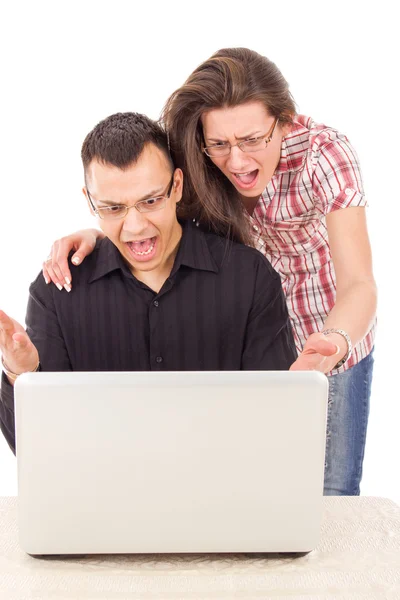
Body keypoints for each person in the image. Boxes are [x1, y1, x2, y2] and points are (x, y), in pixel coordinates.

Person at [42, 48, 377, 497]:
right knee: (255, 493)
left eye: (254, 139)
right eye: (220, 144)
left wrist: (334, 342)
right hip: (250, 341)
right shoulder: (199, 157)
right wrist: (105, 233)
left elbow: (359, 282)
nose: (236, 162)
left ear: (286, 122)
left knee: (332, 493)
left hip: (329, 338)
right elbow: (152, 199)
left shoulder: (323, 155)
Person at [0, 111, 299, 455]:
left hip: (220, 498)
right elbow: (34, 450)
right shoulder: (58, 290)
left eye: (150, 201)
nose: (135, 227)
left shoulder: (249, 278)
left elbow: (278, 425)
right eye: (113, 208)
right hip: (103, 502)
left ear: (177, 186)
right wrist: (21, 375)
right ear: (89, 201)